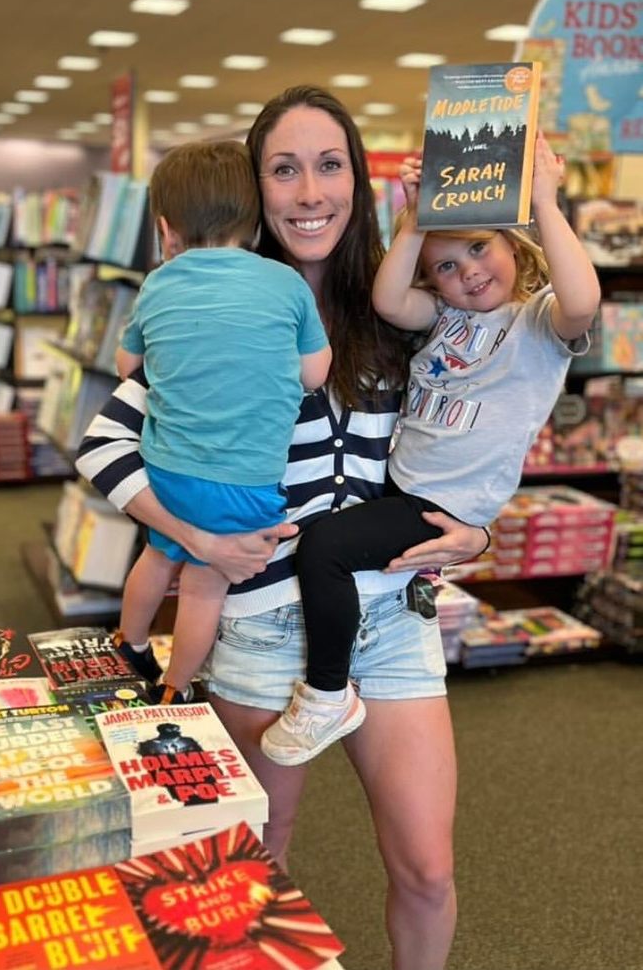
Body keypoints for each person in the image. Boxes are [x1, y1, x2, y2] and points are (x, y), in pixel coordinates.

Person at [77, 85, 490, 970]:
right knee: (260, 861)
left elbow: (469, 449)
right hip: (259, 617)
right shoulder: (206, 310)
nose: (310, 193)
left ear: (358, 183)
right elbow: (105, 443)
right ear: (253, 188)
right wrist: (198, 540)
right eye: (285, 169)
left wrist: (475, 536)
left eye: (330, 166)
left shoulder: (403, 310)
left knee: (427, 867)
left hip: (387, 621)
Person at [261, 134, 601, 766]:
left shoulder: (538, 323)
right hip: (403, 486)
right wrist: (416, 219)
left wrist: (547, 205)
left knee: (327, 550)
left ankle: (328, 691)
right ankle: (347, 673)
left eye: (479, 248)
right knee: (345, 556)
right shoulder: (445, 315)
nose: (468, 271)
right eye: (447, 265)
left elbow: (583, 301)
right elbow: (388, 299)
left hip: (443, 501)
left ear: (513, 246)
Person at [111, 139, 331, 704]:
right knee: (204, 589)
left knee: (157, 557)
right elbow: (314, 372)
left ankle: (130, 641)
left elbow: (127, 366)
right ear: (257, 222)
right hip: (247, 478)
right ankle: (174, 685)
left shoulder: (158, 284)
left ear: (166, 230)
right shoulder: (288, 285)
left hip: (168, 468)